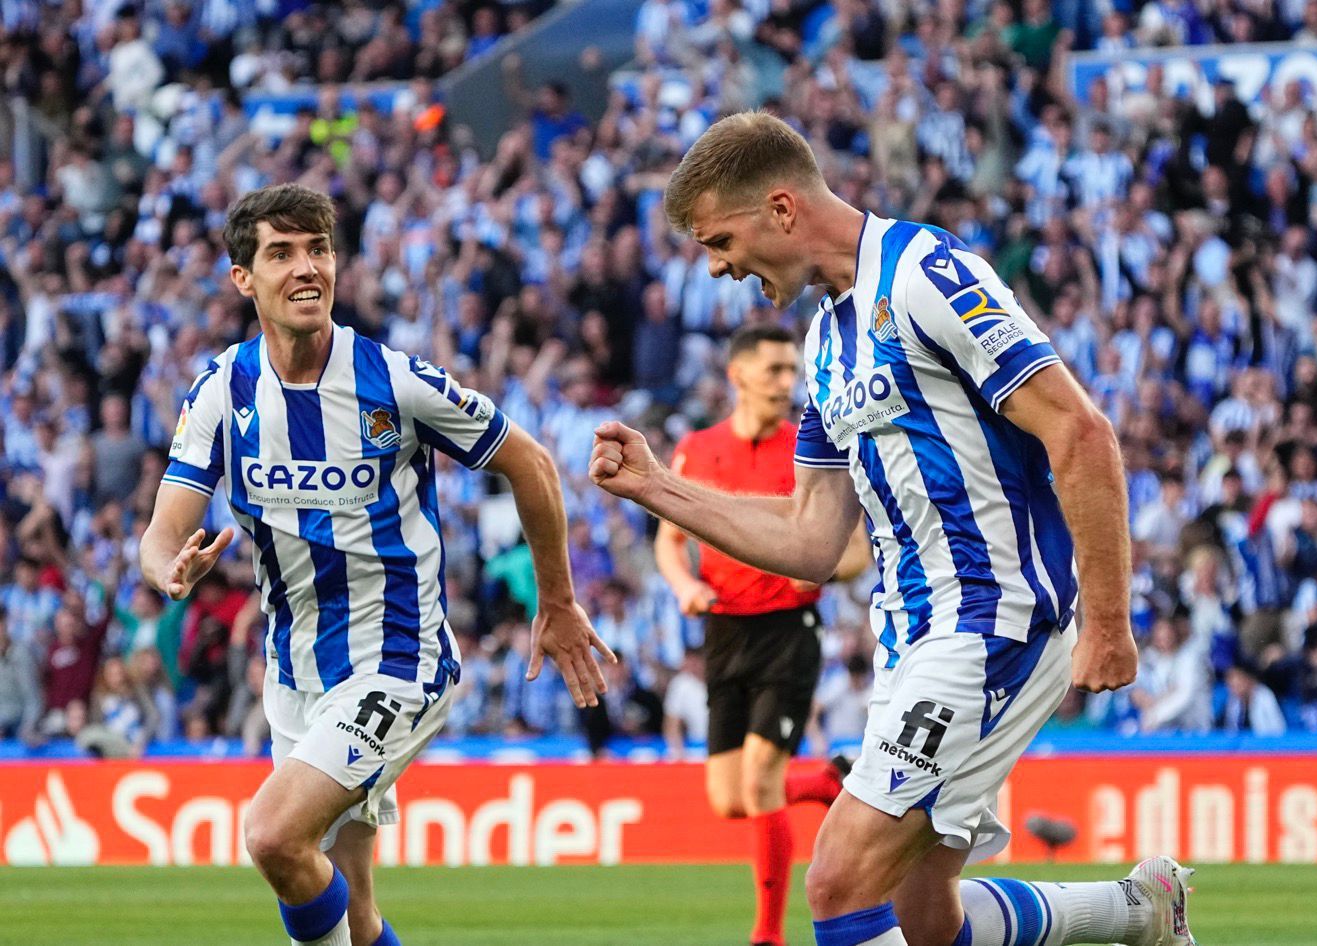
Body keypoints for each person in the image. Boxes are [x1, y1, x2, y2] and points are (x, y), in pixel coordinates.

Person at [591, 111, 1193, 946]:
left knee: (838, 880)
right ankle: (1138, 914)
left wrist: (1111, 621)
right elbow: (813, 537)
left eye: (720, 240)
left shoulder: (924, 273)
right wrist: (659, 488)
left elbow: (1079, 431)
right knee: (921, 912)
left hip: (991, 622)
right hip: (909, 640)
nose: (719, 268)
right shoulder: (826, 338)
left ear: (782, 209)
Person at [139, 183, 614, 946]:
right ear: (242, 279)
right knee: (353, 916)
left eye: (319, 250)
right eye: (281, 253)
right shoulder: (224, 390)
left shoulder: (394, 382)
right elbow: (163, 530)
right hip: (296, 680)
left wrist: (555, 600)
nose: (306, 269)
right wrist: (168, 568)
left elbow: (533, 464)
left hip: (399, 661)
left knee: (271, 836)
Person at [656, 322, 870, 946]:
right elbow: (669, 543)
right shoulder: (697, 449)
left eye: (792, 370)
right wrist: (683, 587)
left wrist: (820, 569)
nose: (787, 382)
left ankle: (768, 935)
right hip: (723, 629)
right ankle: (827, 783)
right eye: (775, 370)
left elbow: (855, 551)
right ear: (738, 374)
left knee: (757, 780)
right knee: (729, 798)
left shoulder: (811, 452)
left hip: (788, 630)